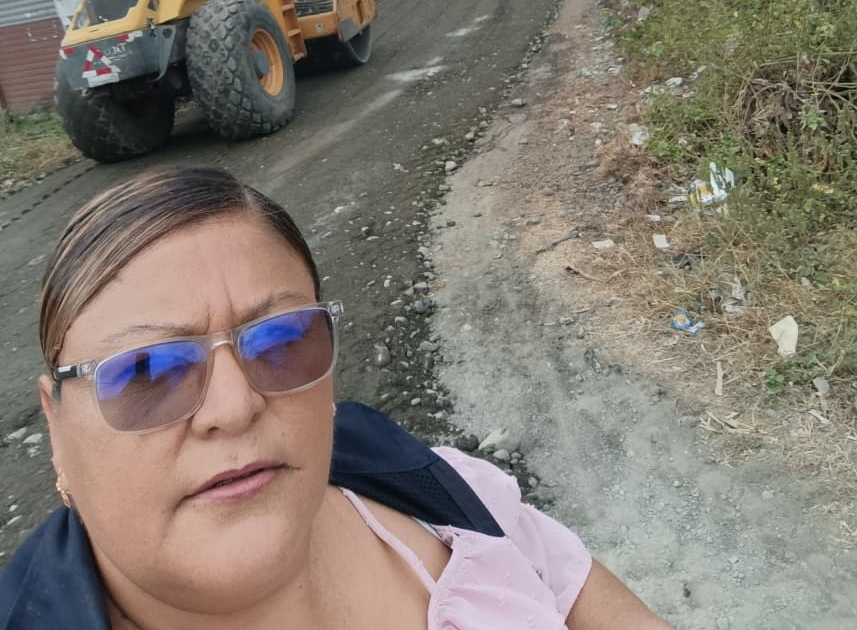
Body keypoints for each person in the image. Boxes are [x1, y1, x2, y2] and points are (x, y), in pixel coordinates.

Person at [0, 167, 671, 630]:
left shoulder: (440, 492)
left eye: (281, 339)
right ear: (57, 428)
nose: (235, 407)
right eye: (147, 373)